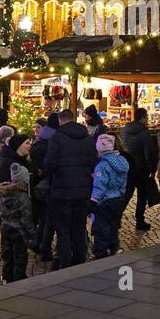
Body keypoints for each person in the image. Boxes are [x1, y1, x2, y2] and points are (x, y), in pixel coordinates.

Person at [43, 109, 97, 269]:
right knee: (79, 228)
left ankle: (65, 264)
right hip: (83, 191)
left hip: (62, 191)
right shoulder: (87, 138)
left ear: (60, 121)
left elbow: (49, 163)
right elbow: (93, 162)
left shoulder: (57, 137)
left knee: (63, 230)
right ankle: (79, 262)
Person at [90, 134, 129, 258]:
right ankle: (113, 248)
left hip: (105, 200)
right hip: (118, 198)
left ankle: (101, 252)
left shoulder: (102, 165)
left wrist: (94, 200)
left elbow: (100, 186)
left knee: (101, 227)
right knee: (113, 225)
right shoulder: (122, 162)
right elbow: (123, 183)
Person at [120, 107, 158, 232]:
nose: (147, 120)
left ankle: (116, 218)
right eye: (146, 118)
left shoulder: (125, 130)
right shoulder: (144, 133)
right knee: (142, 196)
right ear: (142, 119)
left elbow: (122, 148)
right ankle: (139, 221)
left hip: (128, 167)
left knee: (126, 195)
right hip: (141, 169)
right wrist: (153, 169)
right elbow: (149, 153)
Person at [0, 163, 35, 283]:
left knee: (7, 255)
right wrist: (32, 231)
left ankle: (6, 277)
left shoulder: (4, 194)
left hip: (6, 228)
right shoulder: (23, 197)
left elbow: (1, 212)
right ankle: (19, 278)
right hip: (19, 231)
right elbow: (26, 217)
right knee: (20, 256)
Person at [29, 111, 60, 260]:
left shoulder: (41, 141)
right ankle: (43, 245)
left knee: (44, 217)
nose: (36, 130)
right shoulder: (52, 141)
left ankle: (39, 242)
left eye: (38, 127)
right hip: (47, 183)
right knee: (48, 217)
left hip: (40, 183)